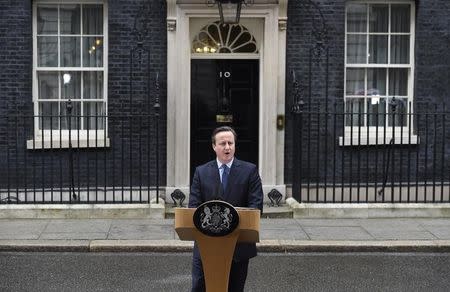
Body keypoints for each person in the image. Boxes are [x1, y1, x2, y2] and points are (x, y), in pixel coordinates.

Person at [189, 126, 264, 292]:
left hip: (238, 246)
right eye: (222, 143)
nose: (227, 147)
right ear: (214, 146)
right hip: (206, 245)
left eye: (231, 143)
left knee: (234, 288)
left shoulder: (249, 171)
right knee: (199, 287)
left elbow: (256, 205)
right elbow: (193, 207)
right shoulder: (201, 172)